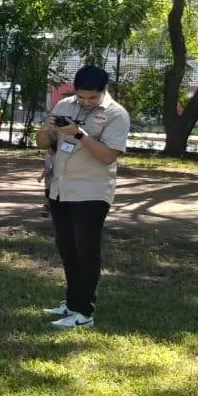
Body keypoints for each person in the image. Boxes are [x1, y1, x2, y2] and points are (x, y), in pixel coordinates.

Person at [37, 64, 130, 330]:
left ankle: (84, 312)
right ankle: (72, 302)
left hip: (91, 192)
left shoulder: (116, 115)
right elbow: (44, 143)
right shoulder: (65, 105)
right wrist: (46, 128)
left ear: (104, 90)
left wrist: (78, 134)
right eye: (81, 96)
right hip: (60, 188)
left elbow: (108, 156)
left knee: (86, 253)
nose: (86, 102)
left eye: (92, 97)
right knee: (67, 250)